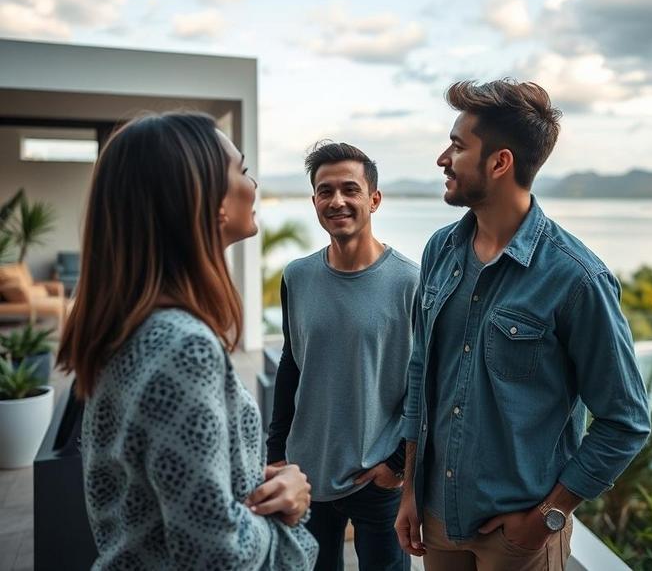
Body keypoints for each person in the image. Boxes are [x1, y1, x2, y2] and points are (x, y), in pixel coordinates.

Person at [394, 80, 651, 571]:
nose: (442, 158)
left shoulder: (577, 277)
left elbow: (626, 421)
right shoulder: (438, 251)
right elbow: (419, 373)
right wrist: (410, 491)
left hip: (518, 539)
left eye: (457, 145)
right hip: (438, 521)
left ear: (499, 163)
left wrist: (548, 517)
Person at [56, 112, 318, 570]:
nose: (253, 186)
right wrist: (292, 510)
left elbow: (164, 492)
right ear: (207, 198)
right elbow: (214, 555)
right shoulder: (183, 347)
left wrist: (251, 481)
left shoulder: (129, 329)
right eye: (242, 170)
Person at [266, 141, 418, 571]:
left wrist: (395, 466)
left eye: (350, 189)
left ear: (374, 199)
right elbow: (292, 365)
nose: (337, 201)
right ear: (314, 200)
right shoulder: (296, 276)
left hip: (376, 478)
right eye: (325, 191)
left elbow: (425, 383)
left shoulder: (411, 283)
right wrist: (276, 452)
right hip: (305, 474)